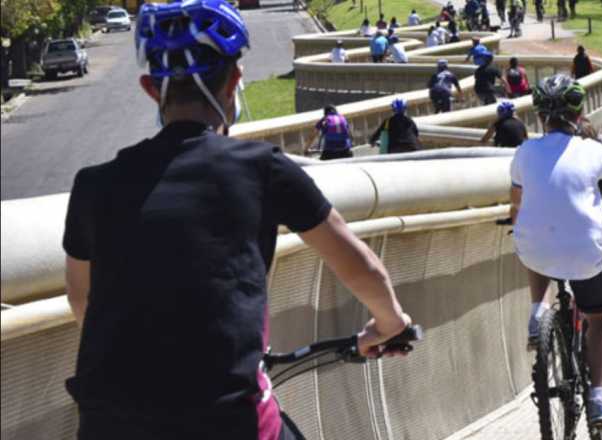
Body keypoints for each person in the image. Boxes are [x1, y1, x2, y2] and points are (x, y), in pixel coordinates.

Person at [64, 1, 412, 438]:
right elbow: (359, 265)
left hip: (107, 425)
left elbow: (82, 301)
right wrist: (390, 323)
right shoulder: (262, 167)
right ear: (235, 80)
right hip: (226, 424)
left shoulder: (92, 186)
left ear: (152, 89)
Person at [509, 74, 602, 431]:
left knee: (533, 246)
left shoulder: (525, 152)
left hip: (536, 249)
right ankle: (599, 397)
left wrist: (519, 222)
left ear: (541, 114)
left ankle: (537, 312)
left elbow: (517, 203)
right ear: (578, 113)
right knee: (600, 317)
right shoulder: (592, 151)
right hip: (584, 252)